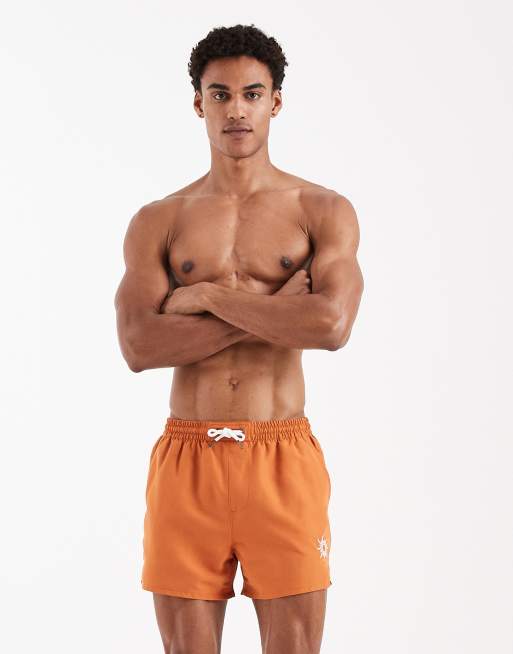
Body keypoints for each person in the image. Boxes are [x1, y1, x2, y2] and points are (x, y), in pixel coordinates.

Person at [114, 23, 364, 654]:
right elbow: (139, 346)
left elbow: (330, 326)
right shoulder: (159, 220)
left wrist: (205, 297)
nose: (236, 110)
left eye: (252, 94)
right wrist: (276, 309)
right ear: (198, 103)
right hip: (187, 459)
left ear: (275, 102)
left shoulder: (321, 210)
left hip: (281, 456)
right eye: (220, 94)